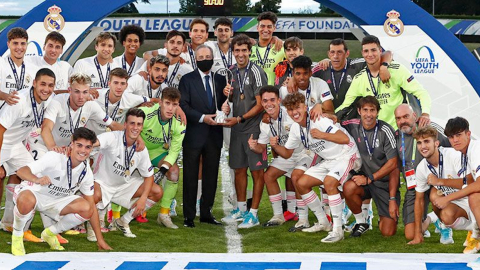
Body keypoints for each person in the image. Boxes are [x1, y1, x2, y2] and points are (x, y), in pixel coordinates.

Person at [273, 92, 361, 243]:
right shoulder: (295, 128)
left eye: (298, 107)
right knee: (301, 183)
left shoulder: (318, 119)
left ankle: (337, 230)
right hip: (329, 160)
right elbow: (287, 153)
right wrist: (274, 145)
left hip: (347, 154)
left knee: (329, 183)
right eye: (290, 109)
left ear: (305, 107)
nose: (295, 112)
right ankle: (323, 223)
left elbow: (344, 139)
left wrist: (322, 134)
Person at [11, 127, 112, 255]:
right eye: (79, 145)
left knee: (87, 208)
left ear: (92, 149)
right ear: (72, 143)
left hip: (57, 202)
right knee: (26, 199)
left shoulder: (86, 172)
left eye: (87, 147)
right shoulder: (55, 156)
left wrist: (100, 240)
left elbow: (91, 206)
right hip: (35, 194)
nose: (83, 150)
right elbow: (21, 171)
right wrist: (36, 179)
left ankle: (50, 233)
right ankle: (17, 235)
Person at [0, 68, 55, 242]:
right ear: (34, 83)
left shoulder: (47, 98)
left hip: (15, 145)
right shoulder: (19, 100)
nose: (46, 89)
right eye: (43, 84)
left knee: (34, 176)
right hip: (2, 141)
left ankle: (14, 225)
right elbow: (0, 130)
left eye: (50, 85)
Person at [247, 86, 313, 229]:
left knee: (296, 177)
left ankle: (303, 219)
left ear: (279, 100)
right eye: (265, 101)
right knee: (268, 176)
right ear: (262, 103)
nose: (269, 104)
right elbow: (261, 148)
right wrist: (254, 146)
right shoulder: (265, 123)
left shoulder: (290, 114)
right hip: (286, 155)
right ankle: (278, 215)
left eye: (272, 100)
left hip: (304, 153)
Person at [91, 108, 163, 239]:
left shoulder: (141, 149)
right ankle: (91, 226)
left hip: (123, 186)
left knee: (156, 191)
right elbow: (95, 142)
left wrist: (143, 198)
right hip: (103, 184)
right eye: (132, 123)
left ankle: (123, 221)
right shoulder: (113, 137)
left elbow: (149, 176)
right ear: (125, 124)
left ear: (142, 127)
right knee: (93, 194)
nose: (135, 127)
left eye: (139, 124)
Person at [336, 35, 431, 130]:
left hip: (399, 129)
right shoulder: (359, 78)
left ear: (380, 51)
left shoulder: (397, 70)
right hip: (377, 133)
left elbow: (421, 93)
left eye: (373, 50)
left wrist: (425, 114)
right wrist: (329, 117)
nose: (370, 54)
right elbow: (345, 105)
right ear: (362, 53)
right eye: (366, 51)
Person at [222, 34, 268, 229]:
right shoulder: (231, 71)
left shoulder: (257, 71)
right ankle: (241, 209)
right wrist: (228, 98)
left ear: (249, 51)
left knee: (257, 172)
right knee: (239, 169)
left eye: (244, 50)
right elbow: (234, 99)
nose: (240, 54)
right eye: (237, 51)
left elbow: (261, 104)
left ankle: (254, 214)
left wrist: (240, 118)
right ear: (232, 52)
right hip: (237, 128)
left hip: (253, 128)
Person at [179, 44, 227, 228]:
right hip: (194, 133)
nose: (204, 59)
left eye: (208, 56)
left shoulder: (221, 79)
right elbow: (183, 105)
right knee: (190, 175)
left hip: (215, 134)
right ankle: (189, 216)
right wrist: (202, 118)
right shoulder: (187, 80)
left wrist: (227, 105)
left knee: (211, 175)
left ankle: (206, 213)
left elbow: (225, 103)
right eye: (200, 57)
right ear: (195, 59)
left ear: (213, 58)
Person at [341, 96, 400, 238]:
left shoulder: (386, 130)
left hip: (383, 183)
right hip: (364, 180)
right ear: (359, 111)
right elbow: (334, 122)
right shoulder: (352, 125)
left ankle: (382, 215)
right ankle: (362, 222)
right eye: (365, 110)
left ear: (377, 112)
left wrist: (371, 179)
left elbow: (393, 163)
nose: (368, 114)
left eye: (372, 110)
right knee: (348, 187)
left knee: (388, 232)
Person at [394, 104, 453, 243]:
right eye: (398, 118)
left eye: (406, 116)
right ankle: (432, 218)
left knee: (436, 196)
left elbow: (454, 147)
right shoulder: (396, 136)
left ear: (415, 116)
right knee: (410, 234)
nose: (402, 121)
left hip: (437, 183)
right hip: (414, 185)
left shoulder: (430, 128)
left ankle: (444, 225)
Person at [408, 126, 474, 246]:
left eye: (427, 141)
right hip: (453, 203)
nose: (423, 147)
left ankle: (474, 230)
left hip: (471, 197)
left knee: (436, 189)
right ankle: (444, 224)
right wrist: (418, 234)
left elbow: (470, 181)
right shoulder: (421, 168)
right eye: (419, 143)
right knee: (439, 202)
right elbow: (419, 200)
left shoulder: (453, 155)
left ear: (436, 143)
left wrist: (440, 181)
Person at [39, 73, 123, 157]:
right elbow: (46, 128)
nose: (81, 97)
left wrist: (133, 136)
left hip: (68, 150)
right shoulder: (57, 101)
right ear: (69, 90)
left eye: (85, 92)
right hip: (45, 145)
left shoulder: (91, 105)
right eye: (77, 91)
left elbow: (113, 124)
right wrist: (53, 147)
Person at [140, 87, 185, 229]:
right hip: (139, 150)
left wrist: (163, 170)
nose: (170, 108)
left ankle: (164, 214)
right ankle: (115, 216)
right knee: (124, 174)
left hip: (157, 152)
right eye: (167, 103)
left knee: (174, 172)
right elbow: (130, 129)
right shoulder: (146, 112)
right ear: (160, 102)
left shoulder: (179, 123)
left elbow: (174, 151)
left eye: (174, 104)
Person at [434, 117, 480, 254]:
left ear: (468, 134)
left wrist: (447, 198)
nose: (455, 140)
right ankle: (475, 232)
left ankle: (476, 234)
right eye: (451, 137)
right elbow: (469, 181)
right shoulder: (464, 153)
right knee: (470, 194)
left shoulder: (475, 149)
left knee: (474, 198)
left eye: (459, 135)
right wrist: (441, 182)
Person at [311, 38, 391, 111]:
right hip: (330, 115)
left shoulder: (356, 65)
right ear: (328, 54)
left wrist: (384, 66)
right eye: (332, 52)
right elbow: (302, 70)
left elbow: (387, 53)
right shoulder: (322, 68)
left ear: (347, 53)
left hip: (353, 117)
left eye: (339, 52)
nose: (335, 56)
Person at [86, 68, 147, 135]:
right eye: (116, 83)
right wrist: (85, 93)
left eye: (122, 83)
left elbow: (153, 100)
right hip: (91, 139)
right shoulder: (95, 96)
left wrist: (141, 105)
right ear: (109, 84)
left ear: (126, 86)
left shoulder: (130, 98)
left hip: (114, 141)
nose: (119, 87)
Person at [0, 27, 39, 109]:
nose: (19, 47)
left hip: (23, 118)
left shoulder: (33, 68)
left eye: (23, 44)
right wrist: (6, 96)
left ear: (27, 45)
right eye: (15, 43)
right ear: (8, 44)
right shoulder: (1, 63)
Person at [250, 11, 286, 85]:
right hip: (253, 93)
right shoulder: (249, 48)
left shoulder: (281, 46)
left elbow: (296, 62)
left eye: (269, 27)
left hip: (274, 93)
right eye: (262, 26)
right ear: (257, 28)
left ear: (274, 28)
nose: (266, 30)